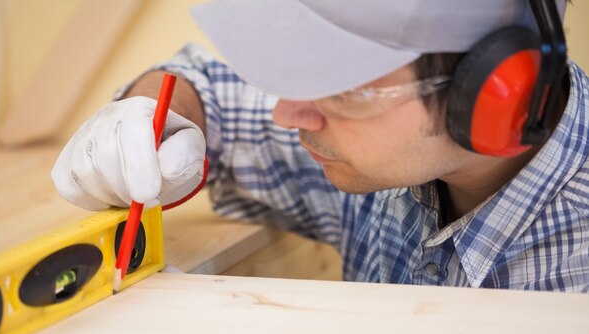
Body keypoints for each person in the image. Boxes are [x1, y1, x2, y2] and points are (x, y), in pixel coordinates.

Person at [51, 0, 589, 292]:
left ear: (500, 91)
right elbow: (204, 88)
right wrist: (152, 118)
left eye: (347, 88)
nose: (288, 113)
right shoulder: (390, 162)